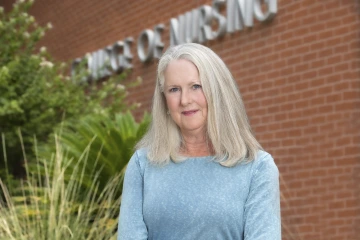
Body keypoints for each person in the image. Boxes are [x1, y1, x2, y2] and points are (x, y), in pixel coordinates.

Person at [117, 43, 281, 240]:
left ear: (217, 92)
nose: (185, 100)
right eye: (174, 89)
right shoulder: (143, 165)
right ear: (164, 100)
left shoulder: (257, 168)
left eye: (196, 86)